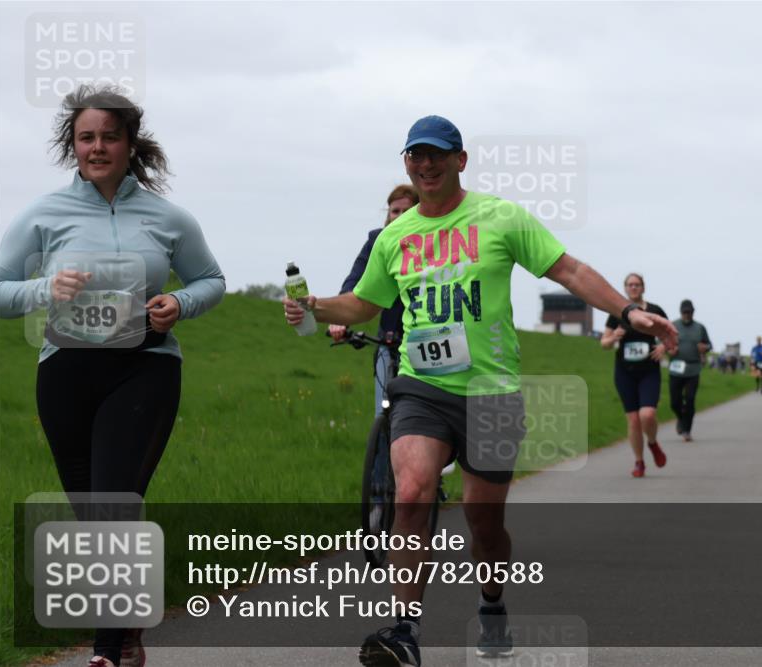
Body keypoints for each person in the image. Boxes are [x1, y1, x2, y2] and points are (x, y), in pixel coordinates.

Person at [283, 115, 678, 667]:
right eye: (415, 156)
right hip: (421, 385)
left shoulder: (499, 217)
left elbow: (568, 270)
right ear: (405, 163)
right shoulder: (395, 237)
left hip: (492, 392)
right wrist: (317, 305)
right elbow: (364, 304)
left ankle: (492, 602)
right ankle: (404, 630)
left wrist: (629, 311)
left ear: (460, 160)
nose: (425, 165)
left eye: (436, 154)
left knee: (483, 523)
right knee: (414, 491)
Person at [0, 85, 225, 667]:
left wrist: (181, 304)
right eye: (86, 137)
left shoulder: (167, 216)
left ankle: (105, 651)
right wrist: (45, 289)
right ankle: (126, 621)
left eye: (109, 136)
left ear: (130, 143)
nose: (97, 147)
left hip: (144, 368)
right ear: (73, 145)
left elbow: (211, 280)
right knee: (92, 513)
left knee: (115, 503)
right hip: (66, 375)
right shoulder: (44, 214)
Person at [329, 184, 419, 415]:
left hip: (424, 340)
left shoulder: (429, 240)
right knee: (384, 413)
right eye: (394, 211)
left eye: (406, 211)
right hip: (388, 341)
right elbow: (355, 280)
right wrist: (340, 318)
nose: (399, 216)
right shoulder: (377, 241)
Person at [601, 273, 669, 476]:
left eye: (637, 284)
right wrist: (614, 336)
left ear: (643, 287)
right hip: (625, 372)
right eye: (630, 285)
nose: (634, 288)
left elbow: (670, 334)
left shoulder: (655, 310)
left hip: (649, 370)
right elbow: (604, 344)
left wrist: (663, 347)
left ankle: (653, 443)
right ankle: (639, 462)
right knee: (633, 420)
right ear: (625, 288)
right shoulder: (617, 312)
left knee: (647, 415)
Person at [667, 299, 711, 442]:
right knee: (675, 401)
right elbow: (662, 342)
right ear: (681, 312)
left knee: (690, 399)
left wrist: (705, 348)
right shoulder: (673, 325)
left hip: (693, 368)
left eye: (689, 312)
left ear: (693, 312)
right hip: (676, 368)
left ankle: (687, 430)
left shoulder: (700, 328)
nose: (687, 315)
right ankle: (681, 418)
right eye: (685, 312)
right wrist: (670, 349)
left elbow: (709, 344)